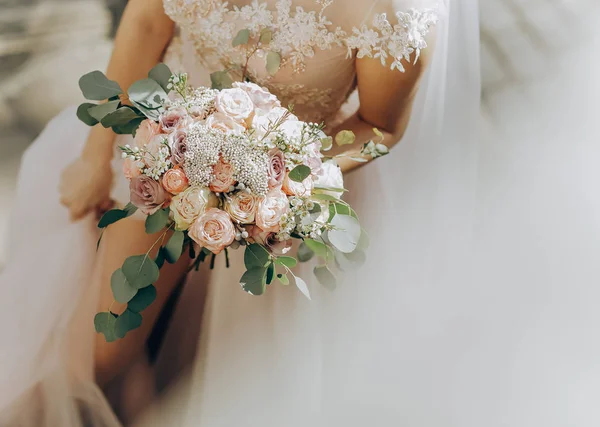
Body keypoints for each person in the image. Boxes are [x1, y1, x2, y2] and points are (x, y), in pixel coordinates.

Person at [0, 0, 480, 425]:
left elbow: (380, 126)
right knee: (101, 353)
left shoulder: (392, 13)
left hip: (276, 203)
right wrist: (95, 151)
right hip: (159, 152)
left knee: (218, 378)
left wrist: (282, 178)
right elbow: (148, 20)